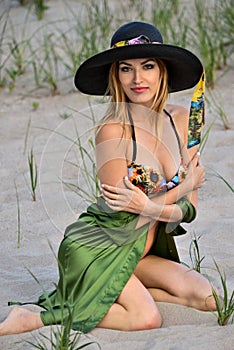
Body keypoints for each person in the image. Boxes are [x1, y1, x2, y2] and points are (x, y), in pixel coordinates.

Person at [0, 21, 216, 336]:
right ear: (116, 75)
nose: (137, 78)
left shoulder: (183, 119)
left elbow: (189, 209)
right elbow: (126, 211)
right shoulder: (112, 130)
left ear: (162, 70)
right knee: (145, 319)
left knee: (206, 298)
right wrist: (183, 187)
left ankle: (108, 294)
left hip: (140, 251)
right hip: (98, 248)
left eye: (148, 66)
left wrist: (155, 204)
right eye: (126, 68)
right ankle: (30, 319)